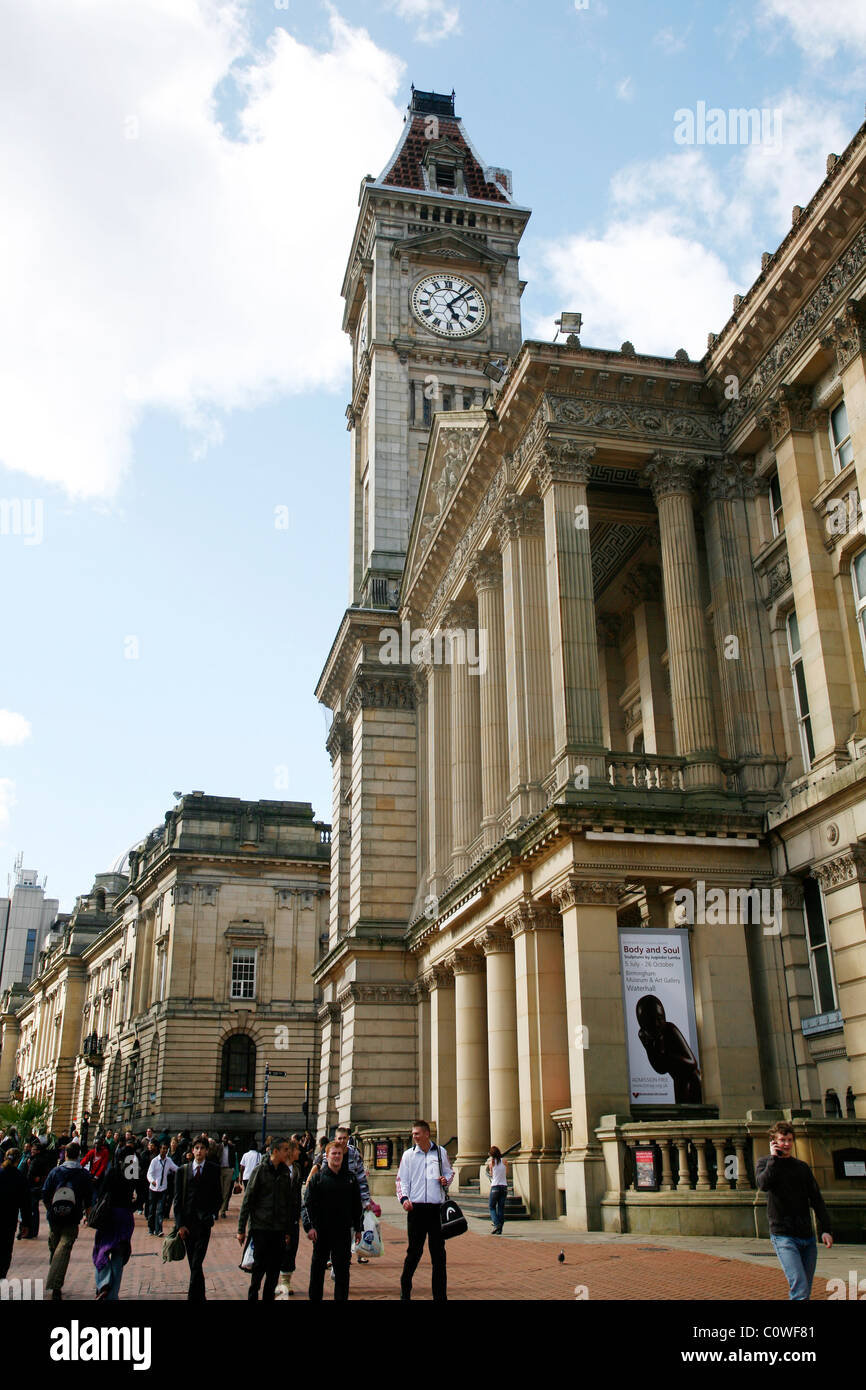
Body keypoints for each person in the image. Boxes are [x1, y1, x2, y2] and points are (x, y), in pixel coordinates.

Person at [756, 1120, 833, 1301]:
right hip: (784, 1236)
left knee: (804, 1289)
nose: (787, 1144)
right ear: (773, 1141)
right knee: (800, 1288)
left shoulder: (801, 1167)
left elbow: (816, 1199)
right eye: (782, 1140)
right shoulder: (765, 1163)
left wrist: (826, 1229)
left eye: (790, 1140)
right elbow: (763, 1185)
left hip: (807, 1237)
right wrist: (774, 1159)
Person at [396, 1119, 453, 1302]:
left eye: (417, 1133)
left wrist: (446, 1179)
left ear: (427, 1134)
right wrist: (404, 1199)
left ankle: (440, 1295)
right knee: (414, 1252)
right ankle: (405, 1289)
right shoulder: (408, 1156)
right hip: (416, 1208)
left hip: (436, 1208)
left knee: (438, 1254)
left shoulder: (440, 1152)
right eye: (413, 1134)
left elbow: (450, 1172)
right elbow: (401, 1180)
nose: (414, 1137)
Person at [237, 1136, 298, 1301]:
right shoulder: (260, 1170)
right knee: (258, 1269)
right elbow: (247, 1200)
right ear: (275, 1151)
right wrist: (241, 1229)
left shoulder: (286, 1173)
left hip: (278, 1229)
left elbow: (287, 1203)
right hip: (261, 1228)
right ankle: (253, 1295)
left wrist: (287, 1230)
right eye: (285, 1150)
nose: (288, 1153)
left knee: (274, 1270)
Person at [302, 1141, 362, 1301]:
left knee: (342, 1272)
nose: (336, 1157)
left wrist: (358, 1228)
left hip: (342, 1231)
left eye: (339, 1154)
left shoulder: (350, 1179)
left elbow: (356, 1205)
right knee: (317, 1271)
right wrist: (309, 1228)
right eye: (333, 1154)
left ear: (343, 1156)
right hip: (321, 1232)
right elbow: (307, 1205)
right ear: (326, 1157)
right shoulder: (317, 1179)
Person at [309, 1124, 372, 1264]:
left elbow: (361, 1177)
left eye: (344, 1138)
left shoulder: (354, 1153)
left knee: (349, 1230)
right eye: (339, 1138)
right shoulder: (330, 1152)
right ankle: (333, 1258)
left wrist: (366, 1200)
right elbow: (324, 1174)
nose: (342, 1141)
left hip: (349, 1196)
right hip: (331, 1198)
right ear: (335, 1138)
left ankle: (347, 1256)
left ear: (348, 1138)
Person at [42, 1140, 94, 1300]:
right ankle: (56, 1281)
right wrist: (87, 1213)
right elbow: (89, 1198)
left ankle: (55, 1283)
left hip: (55, 1216)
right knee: (63, 1249)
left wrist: (50, 1209)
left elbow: (45, 1193)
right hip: (72, 1216)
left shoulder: (55, 1172)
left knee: (57, 1247)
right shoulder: (84, 1175)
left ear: (66, 1154)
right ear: (79, 1156)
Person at [92, 1139, 144, 1300]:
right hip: (126, 1217)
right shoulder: (133, 1173)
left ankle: (104, 1284)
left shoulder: (113, 1172)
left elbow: (101, 1193)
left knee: (100, 1251)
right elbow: (142, 1195)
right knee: (119, 1255)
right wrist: (133, 1206)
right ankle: (112, 1295)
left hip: (110, 1216)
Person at [172, 1136, 222, 1301]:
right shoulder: (182, 1171)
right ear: (192, 1151)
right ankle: (200, 1296)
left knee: (196, 1262)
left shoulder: (213, 1169)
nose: (199, 1151)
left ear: (207, 1151)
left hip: (204, 1224)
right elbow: (178, 1200)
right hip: (187, 1224)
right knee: (194, 1263)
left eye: (202, 1148)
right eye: (197, 1148)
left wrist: (212, 1214)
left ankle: (192, 1297)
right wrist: (180, 1225)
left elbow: (218, 1196)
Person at [635, 994, 702, 1103]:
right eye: (651, 1021)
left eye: (660, 1018)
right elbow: (659, 1068)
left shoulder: (670, 1029)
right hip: (679, 1080)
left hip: (692, 1080)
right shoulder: (646, 1036)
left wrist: (667, 1057)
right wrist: (651, 1048)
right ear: (643, 1023)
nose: (657, 1024)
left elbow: (692, 1063)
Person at [277, 1138, 304, 1298]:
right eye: (297, 1150)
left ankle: (286, 1281)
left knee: (291, 1248)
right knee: (278, 1249)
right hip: (278, 1216)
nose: (299, 1152)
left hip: (293, 1215)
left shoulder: (297, 1168)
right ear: (290, 1151)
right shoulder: (278, 1169)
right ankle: (275, 1280)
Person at [0, 1149, 29, 1278]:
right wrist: (26, 1223)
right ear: (18, 1160)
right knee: (5, 1252)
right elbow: (25, 1203)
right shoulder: (20, 1177)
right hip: (9, 1220)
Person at [20, 1138, 53, 1239]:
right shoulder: (41, 1159)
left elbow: (30, 1175)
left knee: (32, 1210)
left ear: (38, 1151)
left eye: (34, 1149)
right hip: (38, 1187)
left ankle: (31, 1231)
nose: (31, 1150)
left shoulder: (35, 1160)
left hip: (33, 1187)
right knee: (34, 1210)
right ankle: (33, 1231)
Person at [147, 1142, 178, 1236]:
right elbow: (149, 1173)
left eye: (166, 1149)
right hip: (153, 1189)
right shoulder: (154, 1161)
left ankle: (159, 1230)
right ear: (159, 1149)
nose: (164, 1150)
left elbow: (175, 1168)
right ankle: (151, 1228)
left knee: (160, 1210)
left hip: (163, 1189)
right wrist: (152, 1181)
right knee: (152, 1210)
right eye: (163, 1148)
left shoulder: (168, 1160)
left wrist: (185, 1169)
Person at [486, 1146, 508, 1235]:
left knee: (491, 1207)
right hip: (504, 1186)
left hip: (495, 1186)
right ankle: (500, 1229)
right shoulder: (505, 1161)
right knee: (501, 1208)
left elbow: (491, 1175)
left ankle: (497, 1224)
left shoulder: (491, 1163)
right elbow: (506, 1173)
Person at [217, 1133, 238, 1218]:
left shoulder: (232, 1147)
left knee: (226, 1191)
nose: (224, 1140)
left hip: (228, 1169)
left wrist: (233, 1170)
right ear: (221, 1139)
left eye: (226, 1138)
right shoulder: (218, 1147)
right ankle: (218, 1208)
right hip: (220, 1169)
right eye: (223, 1138)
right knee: (220, 1191)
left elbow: (234, 1159)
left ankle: (223, 1211)